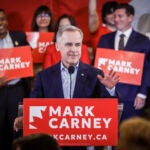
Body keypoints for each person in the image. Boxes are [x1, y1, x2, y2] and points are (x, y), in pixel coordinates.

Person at [98, 3, 150, 121]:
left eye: (120, 16)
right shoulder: (104, 40)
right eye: (114, 16)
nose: (115, 19)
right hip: (107, 97)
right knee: (108, 136)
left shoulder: (143, 41)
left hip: (132, 98)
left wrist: (142, 94)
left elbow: (147, 69)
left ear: (130, 18)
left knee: (130, 135)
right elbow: (98, 68)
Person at [0, 9, 31, 150]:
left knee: (19, 129)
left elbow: (27, 57)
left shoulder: (19, 36)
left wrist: (26, 56)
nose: (0, 23)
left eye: (2, 19)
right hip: (0, 92)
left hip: (18, 92)